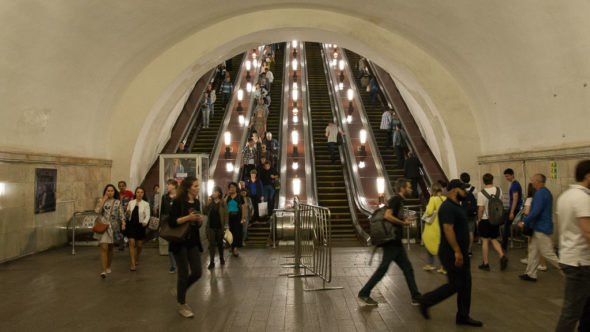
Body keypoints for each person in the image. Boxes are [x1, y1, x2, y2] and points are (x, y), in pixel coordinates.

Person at [418, 180, 483, 327]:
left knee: (465, 284)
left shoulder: (456, 206)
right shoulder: (447, 207)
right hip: (451, 252)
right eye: (463, 189)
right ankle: (426, 301)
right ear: (454, 190)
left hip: (460, 252)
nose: (465, 192)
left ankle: (463, 315)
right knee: (455, 284)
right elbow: (448, 229)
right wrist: (457, 251)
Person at [358, 178, 421, 306]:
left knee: (407, 269)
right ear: (402, 188)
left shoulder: (399, 200)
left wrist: (404, 221)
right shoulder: (396, 199)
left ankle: (416, 296)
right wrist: (403, 223)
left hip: (395, 241)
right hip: (391, 241)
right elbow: (387, 215)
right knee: (383, 269)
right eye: (409, 187)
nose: (411, 189)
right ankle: (364, 293)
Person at [555, 160, 590, 331]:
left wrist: (562, 253)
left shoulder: (565, 196)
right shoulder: (583, 198)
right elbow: (588, 232)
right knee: (571, 312)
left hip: (573, 258)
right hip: (580, 262)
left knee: (585, 307)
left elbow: (562, 228)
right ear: (588, 175)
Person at [168, 176, 203, 318]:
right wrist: (189, 218)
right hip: (179, 242)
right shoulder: (178, 202)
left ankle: (180, 290)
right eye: (195, 186)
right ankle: (182, 304)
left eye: (198, 186)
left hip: (193, 241)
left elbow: (197, 224)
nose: (198, 188)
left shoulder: (197, 202)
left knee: (197, 272)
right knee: (183, 273)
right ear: (188, 188)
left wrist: (199, 220)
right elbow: (172, 222)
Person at [517, 174, 560, 281]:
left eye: (533, 180)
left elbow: (535, 211)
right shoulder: (545, 192)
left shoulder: (540, 194)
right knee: (533, 251)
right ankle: (531, 273)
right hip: (539, 227)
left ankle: (568, 271)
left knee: (548, 253)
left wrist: (524, 221)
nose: (531, 182)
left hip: (541, 227)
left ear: (538, 182)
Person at [476, 173, 508, 271]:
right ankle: (502, 255)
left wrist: (479, 219)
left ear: (483, 181)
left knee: (485, 241)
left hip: (485, 219)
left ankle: (486, 263)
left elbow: (481, 209)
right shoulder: (499, 190)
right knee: (494, 239)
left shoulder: (481, 193)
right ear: (492, 180)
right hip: (495, 219)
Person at [94, 184, 125, 278]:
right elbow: (97, 211)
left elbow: (121, 214)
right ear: (105, 192)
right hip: (103, 226)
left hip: (113, 227)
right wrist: (103, 200)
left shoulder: (117, 202)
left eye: (112, 191)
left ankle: (108, 266)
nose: (110, 192)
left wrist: (123, 223)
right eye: (108, 190)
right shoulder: (100, 201)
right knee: (104, 247)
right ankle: (103, 271)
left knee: (110, 248)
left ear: (114, 192)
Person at [519, 183, 547, 270]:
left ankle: (536, 262)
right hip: (541, 224)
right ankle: (541, 264)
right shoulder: (541, 198)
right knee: (540, 245)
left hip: (531, 224)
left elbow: (527, 212)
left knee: (531, 243)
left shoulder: (529, 199)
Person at [422, 183, 447, 274]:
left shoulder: (432, 199)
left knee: (429, 243)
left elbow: (429, 212)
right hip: (442, 225)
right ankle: (444, 267)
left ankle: (430, 264)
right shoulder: (445, 199)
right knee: (442, 246)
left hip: (433, 226)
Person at [124, 187, 150, 271]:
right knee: (131, 243)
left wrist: (145, 221)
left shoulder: (146, 204)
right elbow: (127, 215)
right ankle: (132, 264)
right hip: (131, 225)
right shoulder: (131, 202)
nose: (139, 194)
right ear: (135, 193)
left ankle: (137, 257)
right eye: (138, 192)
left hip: (140, 225)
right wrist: (127, 213)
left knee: (139, 245)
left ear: (143, 194)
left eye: (141, 192)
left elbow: (148, 215)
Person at [203, 186, 228, 269]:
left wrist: (226, 226)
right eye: (212, 192)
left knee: (220, 244)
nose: (213, 193)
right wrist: (207, 205)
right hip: (211, 226)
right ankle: (212, 262)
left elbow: (226, 215)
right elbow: (204, 212)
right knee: (212, 244)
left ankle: (221, 258)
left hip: (220, 226)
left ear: (219, 193)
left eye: (215, 192)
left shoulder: (223, 203)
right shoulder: (210, 203)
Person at [502, 168, 522, 251]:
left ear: (512, 175)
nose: (507, 178)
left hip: (514, 208)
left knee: (506, 227)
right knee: (506, 227)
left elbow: (515, 198)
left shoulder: (514, 185)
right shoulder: (515, 184)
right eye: (506, 176)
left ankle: (503, 246)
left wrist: (512, 212)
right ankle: (504, 245)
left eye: (508, 176)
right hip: (514, 208)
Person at [160, 179, 178, 273]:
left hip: (178, 223)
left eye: (168, 184)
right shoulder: (164, 197)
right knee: (170, 245)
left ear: (174, 186)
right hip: (168, 224)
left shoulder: (179, 197)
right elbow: (162, 212)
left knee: (179, 244)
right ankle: (172, 265)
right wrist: (161, 225)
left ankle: (180, 263)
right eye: (166, 184)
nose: (166, 186)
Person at [460, 173, 478, 256]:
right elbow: (477, 201)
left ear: (461, 180)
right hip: (471, 213)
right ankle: (469, 250)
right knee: (471, 231)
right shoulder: (474, 189)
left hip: (462, 213)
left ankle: (462, 249)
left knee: (462, 231)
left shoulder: (459, 189)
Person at [118, 181, 134, 251]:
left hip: (127, 214)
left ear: (125, 186)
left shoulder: (129, 193)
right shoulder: (117, 194)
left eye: (123, 186)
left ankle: (128, 242)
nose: (121, 187)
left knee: (127, 228)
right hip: (120, 215)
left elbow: (132, 202)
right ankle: (121, 244)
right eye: (120, 186)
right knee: (121, 229)